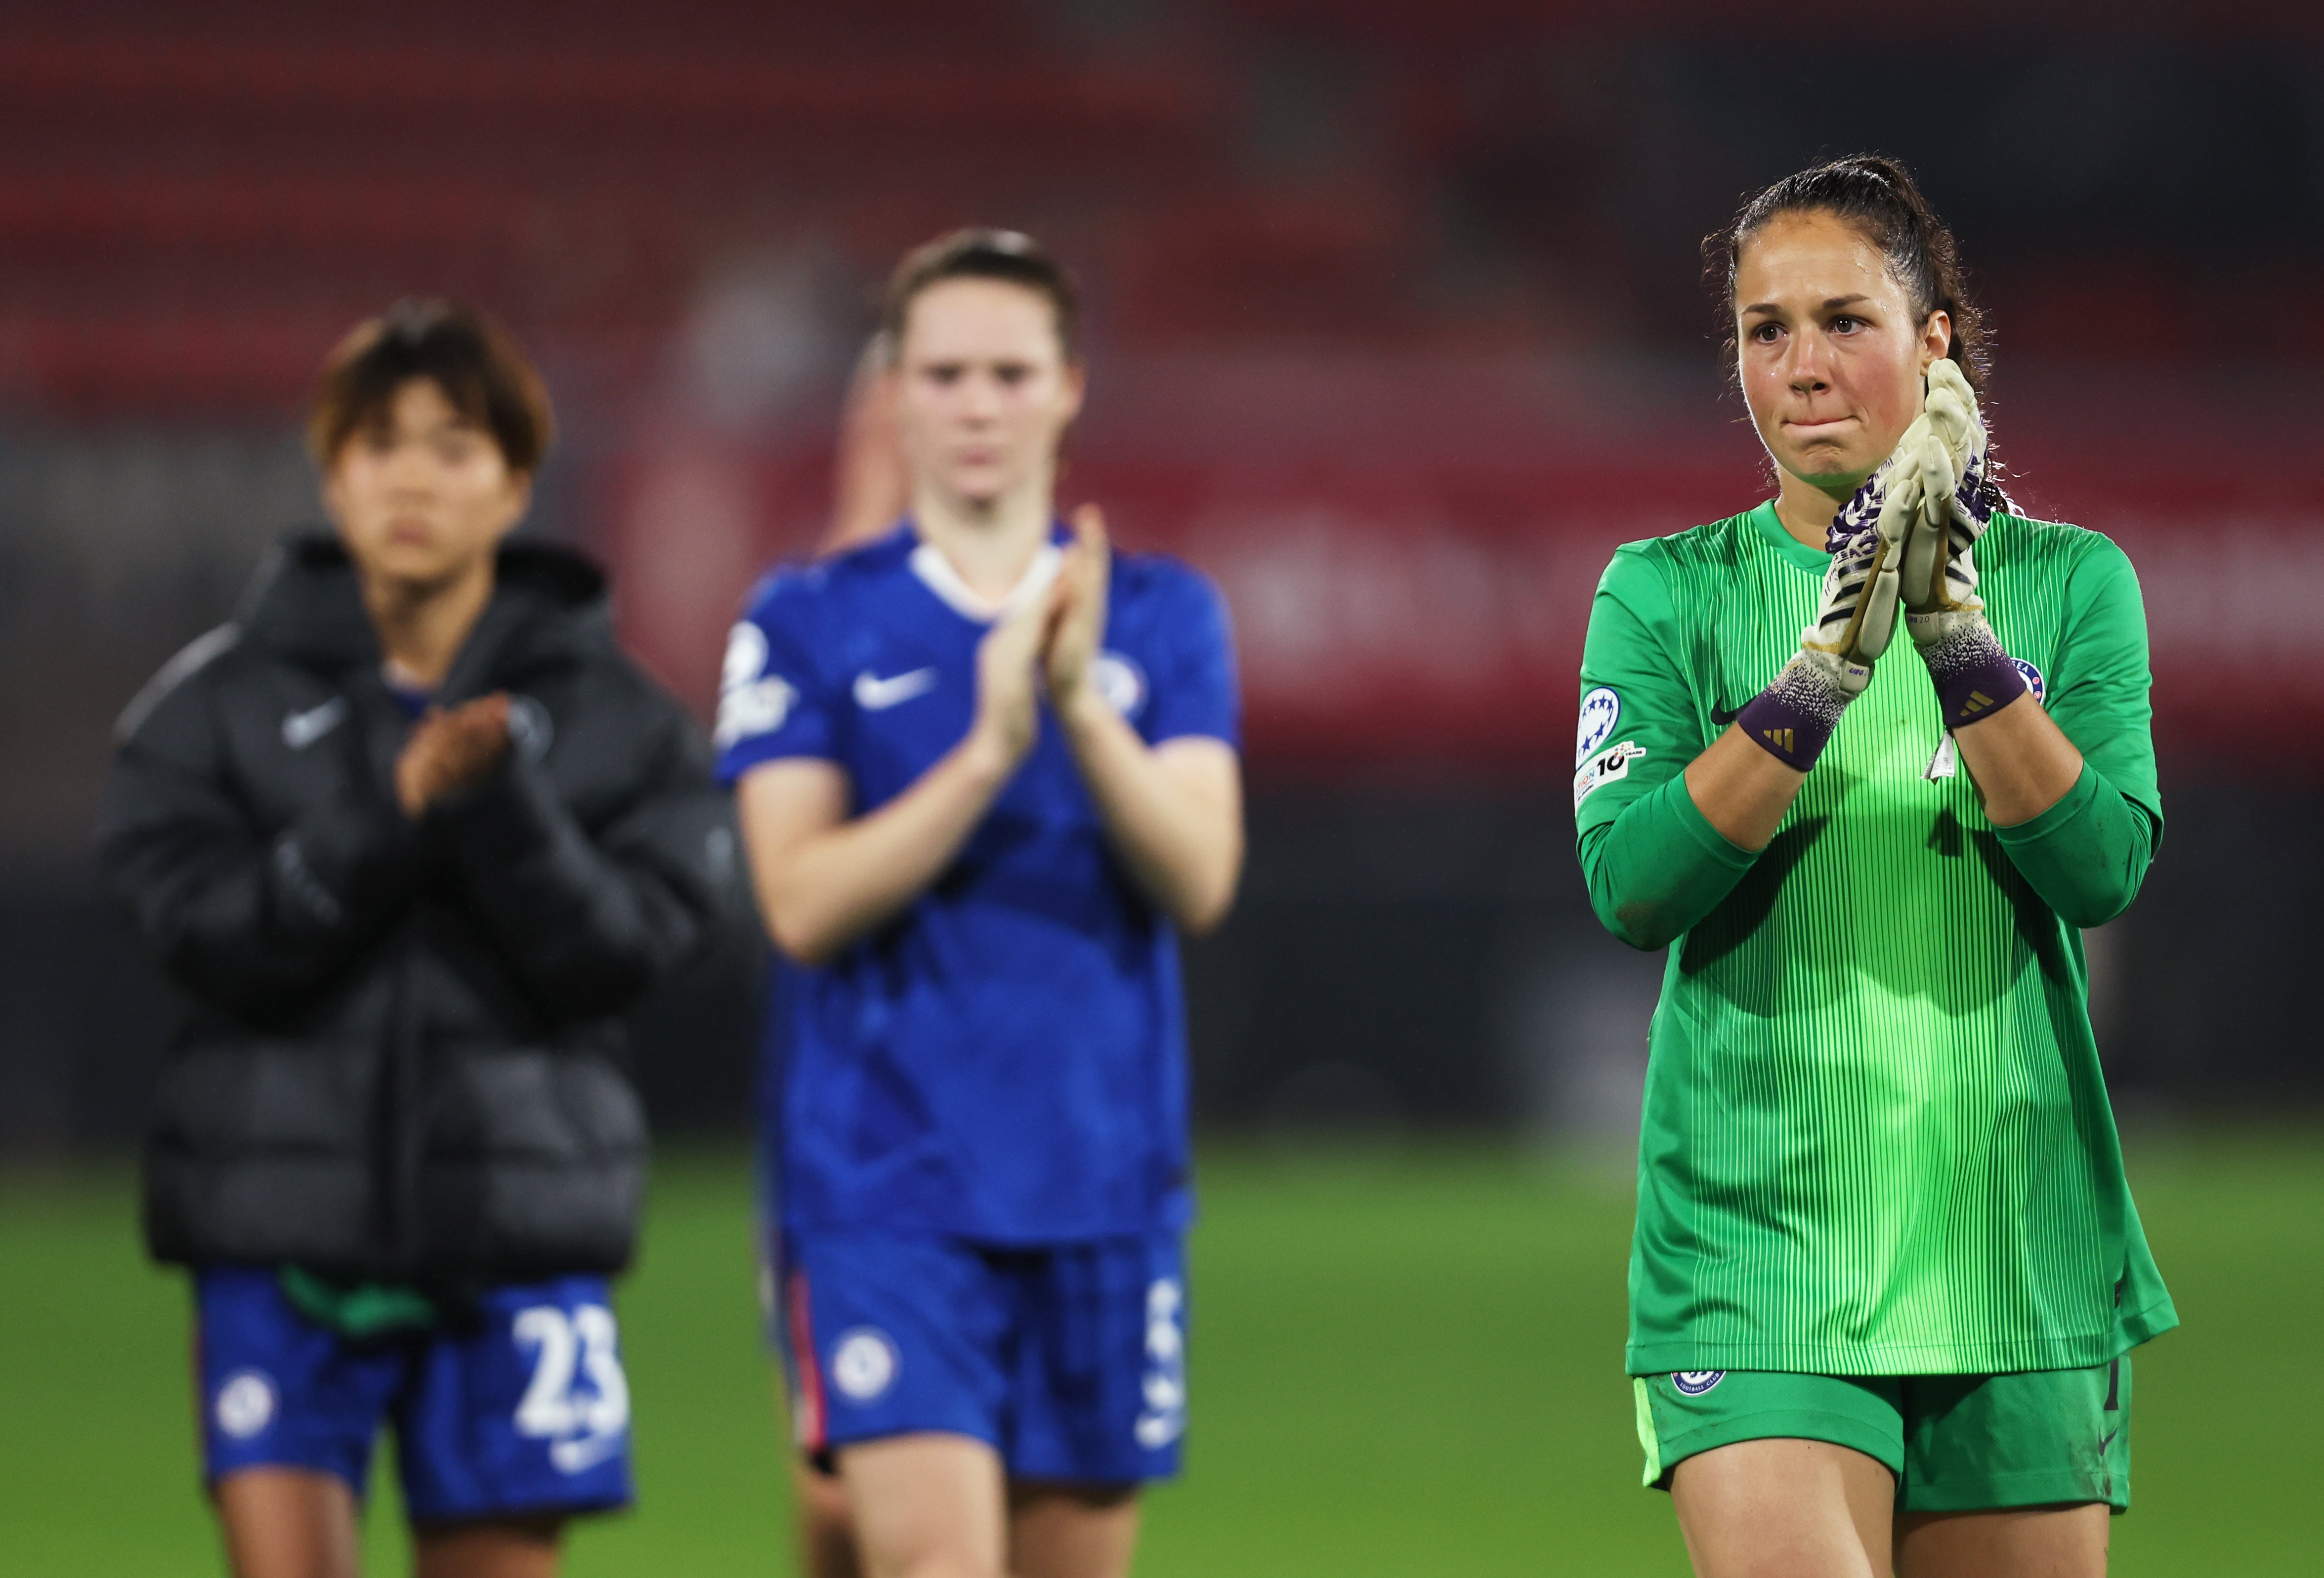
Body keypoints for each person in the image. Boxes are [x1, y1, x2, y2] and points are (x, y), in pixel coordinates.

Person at [1573, 156, 2174, 1578]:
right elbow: (1634, 883)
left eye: (1845, 319)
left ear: (1934, 341)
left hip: (2011, 1248)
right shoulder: (1665, 590)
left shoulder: (2072, 581)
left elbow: (2099, 867)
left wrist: (1956, 643)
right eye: (1764, 329)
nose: (1801, 363)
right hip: (1754, 1254)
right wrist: (1818, 677)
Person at [98, 300, 742, 1578]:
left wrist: (497, 808)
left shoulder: (625, 723)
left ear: (514, 483)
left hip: (519, 1233)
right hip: (275, 1234)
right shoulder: (208, 712)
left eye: (453, 446)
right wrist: (383, 813)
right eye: (377, 442)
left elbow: (627, 955)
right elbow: (204, 940)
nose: (411, 478)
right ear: (331, 475)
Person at [718, 228, 1243, 1578]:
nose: (975, 405)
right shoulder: (806, 621)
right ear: (891, 394)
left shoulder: (1161, 614)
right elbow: (798, 897)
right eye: (943, 372)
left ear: (1069, 387)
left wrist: (1077, 705)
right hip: (888, 1188)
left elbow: (1199, 873)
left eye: (1010, 372)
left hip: (1104, 1189)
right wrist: (988, 755)